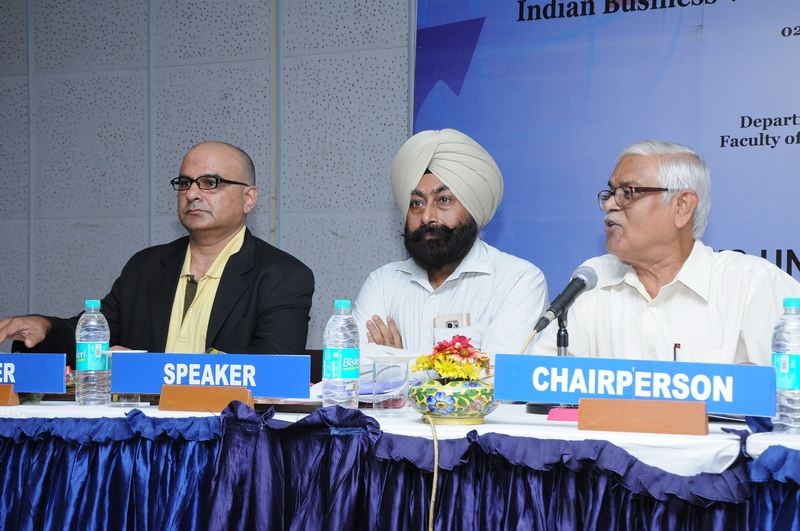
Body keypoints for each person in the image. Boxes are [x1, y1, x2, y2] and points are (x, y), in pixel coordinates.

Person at [0, 141, 314, 368]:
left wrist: (145, 368)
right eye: (185, 183)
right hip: (142, 432)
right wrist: (44, 328)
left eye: (210, 183)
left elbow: (272, 365)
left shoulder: (283, 276)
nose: (192, 194)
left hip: (227, 432)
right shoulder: (146, 267)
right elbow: (94, 336)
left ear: (249, 198)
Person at [532, 139, 800, 365]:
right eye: (611, 193)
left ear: (682, 206)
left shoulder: (753, 285)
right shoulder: (593, 280)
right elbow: (540, 382)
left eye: (627, 192)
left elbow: (791, 392)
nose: (609, 205)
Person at [353, 128, 549, 375]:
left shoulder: (518, 280)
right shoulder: (383, 282)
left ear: (472, 208)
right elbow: (350, 370)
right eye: (417, 203)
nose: (427, 217)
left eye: (444, 200)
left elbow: (498, 378)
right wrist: (458, 366)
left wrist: (396, 363)